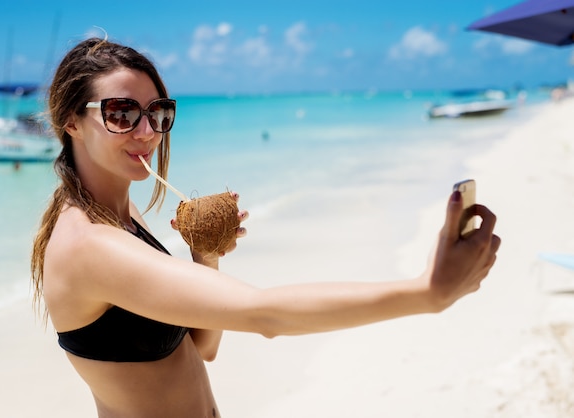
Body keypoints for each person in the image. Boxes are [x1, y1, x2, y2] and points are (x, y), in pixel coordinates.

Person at [31, 37, 501, 418]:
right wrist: (427, 293)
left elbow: (202, 347)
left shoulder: (123, 220)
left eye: (158, 113)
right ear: (71, 120)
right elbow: (264, 315)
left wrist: (205, 256)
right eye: (121, 114)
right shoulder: (90, 246)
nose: (147, 131)